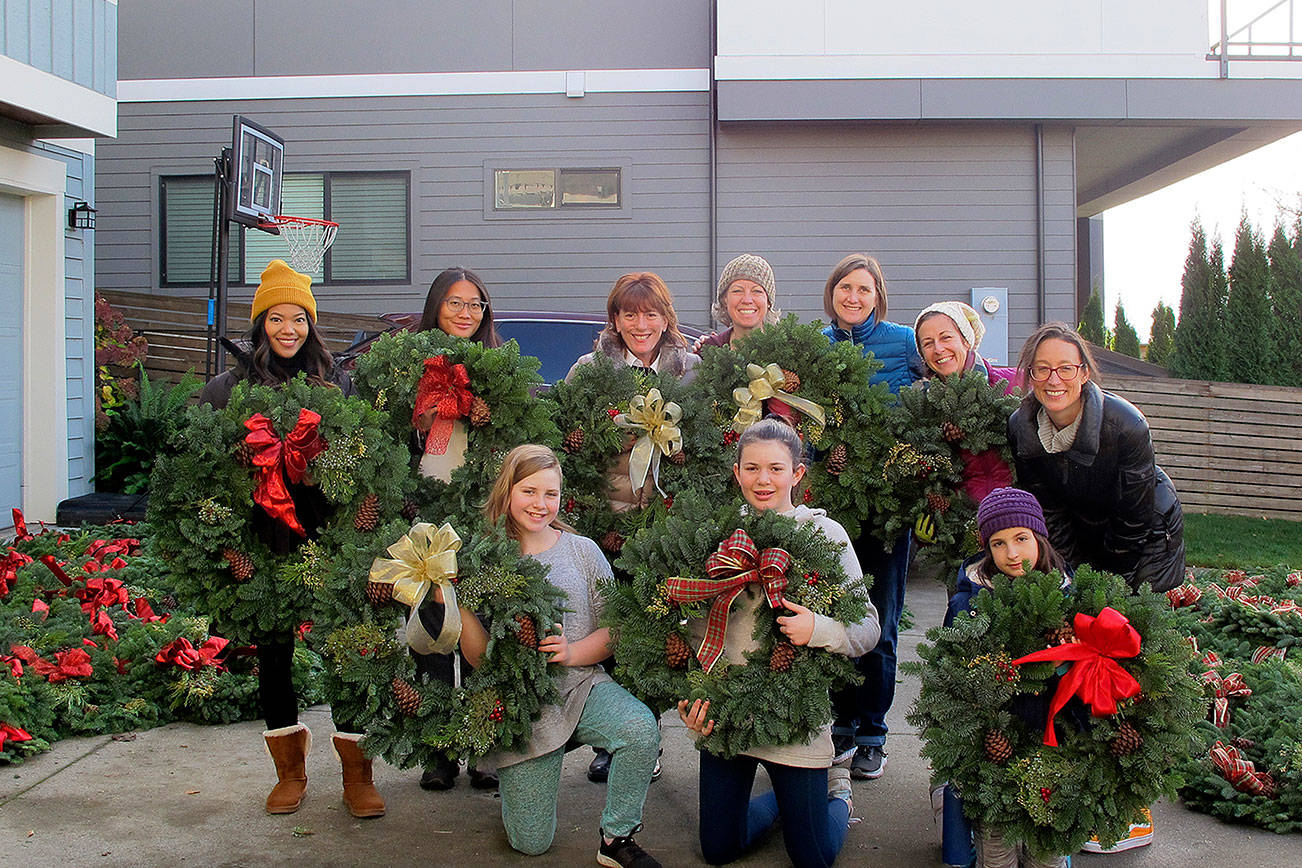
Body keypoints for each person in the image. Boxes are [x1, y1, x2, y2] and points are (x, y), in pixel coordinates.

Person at [198, 260, 382, 819]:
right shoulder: (228, 389)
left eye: (297, 318)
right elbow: (200, 466)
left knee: (344, 652)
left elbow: (363, 459)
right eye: (275, 318)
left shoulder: (337, 382)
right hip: (263, 540)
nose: (287, 329)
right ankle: (289, 771)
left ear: (311, 323)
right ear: (259, 324)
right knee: (274, 656)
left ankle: (357, 773)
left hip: (328, 538)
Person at [438, 445, 663, 867]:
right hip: (526, 708)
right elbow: (479, 660)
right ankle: (524, 779)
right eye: (529, 491)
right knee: (531, 842)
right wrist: (456, 600)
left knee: (639, 728)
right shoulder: (486, 560)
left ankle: (617, 838)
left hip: (581, 686)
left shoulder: (582, 551)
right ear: (507, 491)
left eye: (551, 494)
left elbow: (614, 630)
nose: (541, 504)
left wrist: (573, 651)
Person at [678, 418, 880, 868]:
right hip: (728, 713)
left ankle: (838, 796)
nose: (763, 480)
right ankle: (777, 807)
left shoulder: (825, 537)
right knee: (718, 850)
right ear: (737, 473)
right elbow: (690, 627)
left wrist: (820, 629)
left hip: (794, 716)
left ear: (798, 474)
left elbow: (868, 627)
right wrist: (692, 693)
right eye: (751, 468)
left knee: (812, 859)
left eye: (775, 468)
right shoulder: (717, 536)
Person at [567, 272, 699, 782]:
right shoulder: (589, 371)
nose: (640, 324)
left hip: (668, 524)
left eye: (650, 313)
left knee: (658, 629)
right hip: (609, 524)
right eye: (629, 314)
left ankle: (652, 737)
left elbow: (713, 443)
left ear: (666, 318)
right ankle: (617, 739)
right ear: (615, 319)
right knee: (614, 627)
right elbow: (570, 440)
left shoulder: (690, 372)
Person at [820, 253, 924, 780]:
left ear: (878, 295)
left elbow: (956, 378)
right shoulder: (818, 344)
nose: (854, 298)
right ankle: (838, 723)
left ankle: (872, 732)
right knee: (837, 617)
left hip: (888, 511)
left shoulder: (906, 343)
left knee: (879, 623)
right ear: (832, 294)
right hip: (833, 510)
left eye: (864, 289)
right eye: (845, 289)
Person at [941, 488, 1072, 868]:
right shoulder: (970, 604)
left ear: (1039, 538)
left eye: (1021, 539)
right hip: (994, 752)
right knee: (996, 852)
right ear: (986, 549)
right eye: (998, 543)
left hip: (1052, 752)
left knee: (1045, 853)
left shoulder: (1068, 599)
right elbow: (951, 672)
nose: (1012, 554)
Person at [1007, 323, 1185, 594]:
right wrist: (1072, 573)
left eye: (1066, 368)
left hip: (1146, 534)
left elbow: (1134, 518)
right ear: (1031, 375)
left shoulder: (1127, 424)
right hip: (1083, 528)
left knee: (1131, 614)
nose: (1054, 380)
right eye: (1042, 369)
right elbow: (1049, 511)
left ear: (1084, 373)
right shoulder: (1021, 427)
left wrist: (1109, 585)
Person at [410, 267, 501, 792]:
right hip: (427, 510)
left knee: (483, 623)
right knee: (435, 622)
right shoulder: (412, 368)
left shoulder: (496, 371)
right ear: (436, 308)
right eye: (455, 303)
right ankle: (441, 747)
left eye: (475, 304)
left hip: (483, 510)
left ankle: (487, 745)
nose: (467, 313)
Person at [914, 301, 1020, 505]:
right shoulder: (925, 408)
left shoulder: (1013, 384)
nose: (938, 349)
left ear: (965, 340)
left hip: (1015, 517)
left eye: (946, 337)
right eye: (928, 343)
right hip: (962, 522)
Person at [696, 253, 780, 350]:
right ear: (724, 300)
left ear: (768, 302)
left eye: (756, 291)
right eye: (737, 291)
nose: (747, 300)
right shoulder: (709, 352)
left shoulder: (790, 353)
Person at [416, 265, 504, 348]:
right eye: (455, 303)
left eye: (474, 305)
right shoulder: (410, 358)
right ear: (435, 306)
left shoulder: (500, 360)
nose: (465, 315)